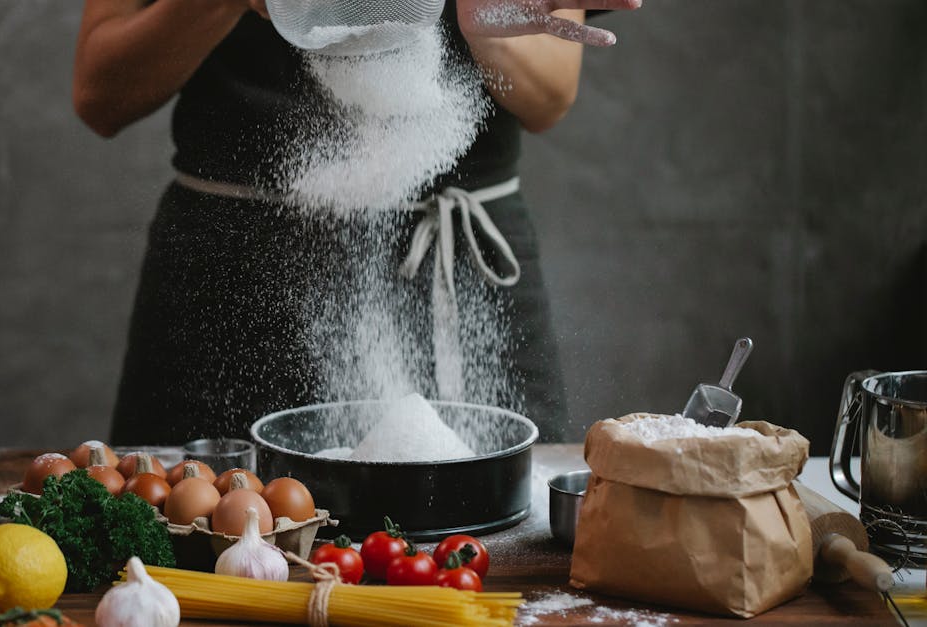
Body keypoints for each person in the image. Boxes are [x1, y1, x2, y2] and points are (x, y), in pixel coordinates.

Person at [74, 0, 642, 445]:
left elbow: (551, 96)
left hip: (460, 272)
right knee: (200, 552)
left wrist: (483, 23)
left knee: (499, 551)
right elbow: (100, 93)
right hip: (232, 273)